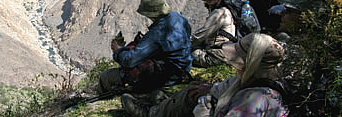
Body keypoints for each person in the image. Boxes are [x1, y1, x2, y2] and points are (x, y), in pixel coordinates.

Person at [121, 33, 288, 117]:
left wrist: (205, 108)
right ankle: (160, 106)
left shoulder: (254, 100)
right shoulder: (261, 82)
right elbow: (228, 86)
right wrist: (209, 90)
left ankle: (153, 111)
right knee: (196, 89)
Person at [277, 0, 342, 116]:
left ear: (304, 19)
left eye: (288, 11)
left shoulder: (299, 53)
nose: (282, 14)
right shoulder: (321, 46)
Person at [98, 0, 193, 94]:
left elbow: (129, 60)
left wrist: (118, 50)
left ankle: (103, 96)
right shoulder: (178, 18)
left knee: (106, 76)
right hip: (185, 67)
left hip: (168, 75)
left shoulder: (157, 32)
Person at [191, 0, 236, 68]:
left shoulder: (219, 13)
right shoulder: (225, 10)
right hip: (227, 53)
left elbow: (200, 35)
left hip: (218, 56)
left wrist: (182, 44)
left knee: (185, 54)